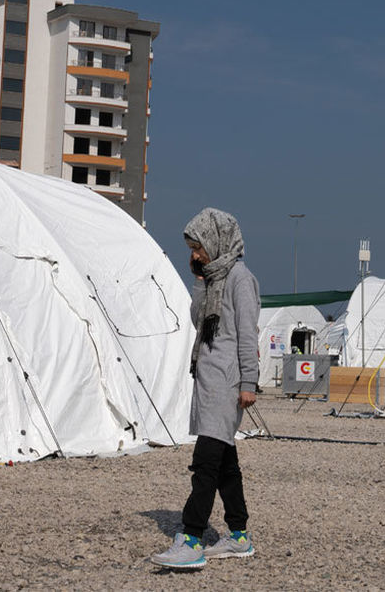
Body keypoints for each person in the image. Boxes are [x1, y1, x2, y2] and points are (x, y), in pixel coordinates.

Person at [150, 208, 260, 570]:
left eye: (198, 247)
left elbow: (247, 333)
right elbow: (199, 320)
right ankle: (239, 536)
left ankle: (192, 538)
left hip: (227, 383)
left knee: (206, 463)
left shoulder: (240, 279)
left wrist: (249, 381)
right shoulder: (212, 278)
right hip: (209, 379)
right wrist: (199, 280)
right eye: (192, 248)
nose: (195, 254)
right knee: (225, 463)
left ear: (215, 241)